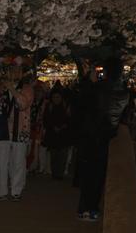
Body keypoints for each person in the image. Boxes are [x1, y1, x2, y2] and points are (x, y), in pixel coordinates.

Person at [76, 57, 129, 221]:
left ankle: (85, 208)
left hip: (92, 135)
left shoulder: (98, 88)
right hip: (108, 136)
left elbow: (82, 103)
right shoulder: (125, 92)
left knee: (88, 173)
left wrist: (88, 81)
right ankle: (93, 208)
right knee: (99, 174)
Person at [0, 66, 34, 201]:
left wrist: (12, 89)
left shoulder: (27, 88)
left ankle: (16, 191)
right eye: (12, 70)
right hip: (3, 130)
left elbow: (23, 104)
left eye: (18, 70)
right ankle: (2, 191)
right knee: (1, 161)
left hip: (20, 129)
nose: (15, 73)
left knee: (18, 161)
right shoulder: (0, 87)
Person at [43, 84, 71, 180]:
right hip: (53, 134)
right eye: (54, 97)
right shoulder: (49, 106)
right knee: (54, 155)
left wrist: (63, 126)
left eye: (58, 97)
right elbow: (46, 119)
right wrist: (53, 127)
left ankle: (60, 173)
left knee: (62, 155)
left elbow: (69, 120)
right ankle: (55, 173)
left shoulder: (65, 106)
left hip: (63, 134)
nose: (56, 99)